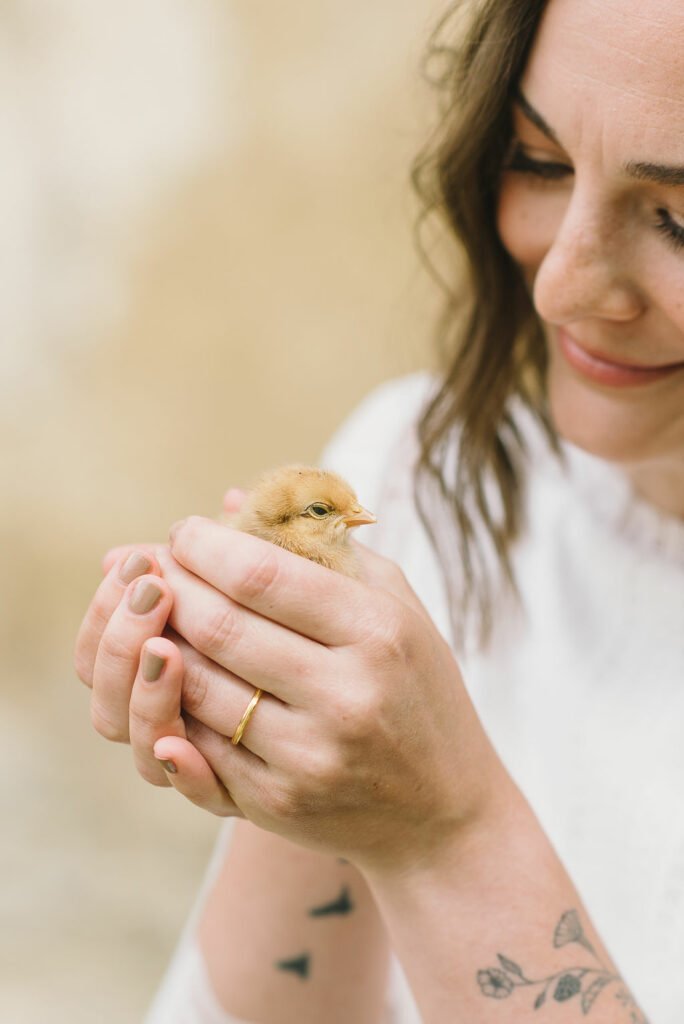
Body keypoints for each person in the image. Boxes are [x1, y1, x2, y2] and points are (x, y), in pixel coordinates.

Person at [75, 0, 684, 1019]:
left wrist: (446, 832)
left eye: (680, 216)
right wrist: (280, 764)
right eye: (538, 160)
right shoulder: (422, 472)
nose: (563, 286)